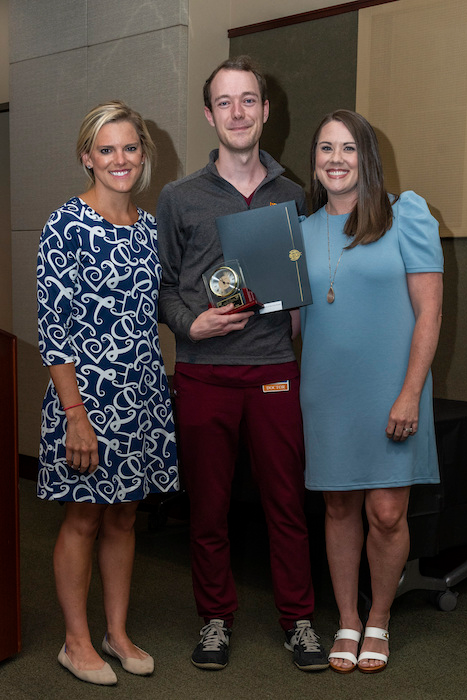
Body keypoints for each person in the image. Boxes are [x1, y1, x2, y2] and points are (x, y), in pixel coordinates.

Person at [156, 56, 327, 672]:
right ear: (209, 114)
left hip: (275, 368)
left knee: (286, 505)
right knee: (208, 506)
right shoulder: (178, 198)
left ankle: (299, 621)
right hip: (205, 371)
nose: (237, 112)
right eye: (225, 102)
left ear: (265, 110)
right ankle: (215, 620)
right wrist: (189, 323)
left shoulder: (296, 195)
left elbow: (310, 281)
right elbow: (166, 286)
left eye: (248, 100)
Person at [37, 101, 179, 685]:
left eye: (130, 147)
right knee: (84, 518)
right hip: (87, 400)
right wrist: (74, 413)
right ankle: (75, 641)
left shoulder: (147, 228)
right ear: (86, 156)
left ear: (143, 155)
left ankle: (116, 632)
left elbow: (159, 307)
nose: (119, 159)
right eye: (106, 148)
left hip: (142, 394)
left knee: (124, 518)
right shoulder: (65, 225)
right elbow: (54, 328)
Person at [299, 109, 443, 674]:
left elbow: (429, 312)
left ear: (368, 158)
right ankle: (347, 620)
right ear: (314, 160)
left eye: (349, 148)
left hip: (394, 387)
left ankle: (378, 617)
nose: (336, 159)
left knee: (386, 512)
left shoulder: (406, 214)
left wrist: (410, 393)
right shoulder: (300, 230)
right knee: (338, 505)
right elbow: (292, 321)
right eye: (325, 148)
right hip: (326, 391)